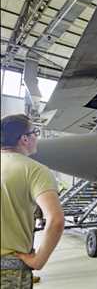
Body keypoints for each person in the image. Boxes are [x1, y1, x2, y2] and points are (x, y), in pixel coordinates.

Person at [1, 114, 65, 288]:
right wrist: (39, 260)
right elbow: (56, 220)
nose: (37, 136)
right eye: (35, 132)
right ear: (24, 139)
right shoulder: (35, 170)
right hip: (9, 269)